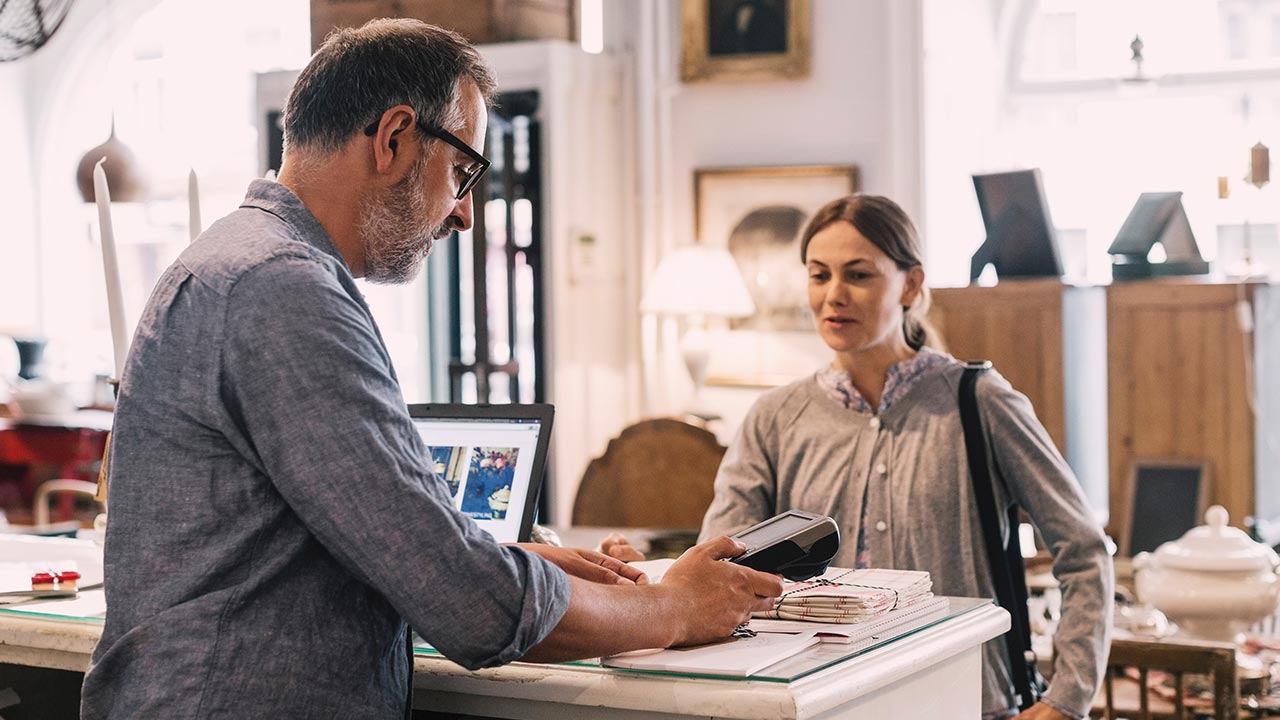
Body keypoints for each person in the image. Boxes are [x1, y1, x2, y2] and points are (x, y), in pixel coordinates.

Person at [80, 19, 782, 719]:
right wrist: (673, 608)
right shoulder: (283, 289)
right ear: (393, 139)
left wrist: (510, 561)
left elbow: (345, 547)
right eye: (464, 172)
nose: (466, 214)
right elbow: (467, 604)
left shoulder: (242, 262)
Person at [609, 194, 1112, 720]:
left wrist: (1066, 698)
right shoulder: (775, 417)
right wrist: (649, 579)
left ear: (910, 285)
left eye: (858, 275)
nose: (834, 295)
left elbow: (1084, 551)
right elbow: (722, 570)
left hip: (966, 698)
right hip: (822, 701)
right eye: (819, 275)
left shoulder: (980, 401)